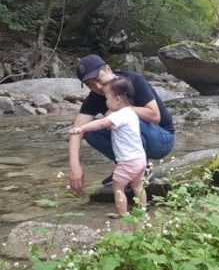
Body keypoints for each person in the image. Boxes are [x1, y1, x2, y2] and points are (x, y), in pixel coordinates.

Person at [69, 54, 175, 194]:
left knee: (126, 119)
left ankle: (142, 170)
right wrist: (75, 167)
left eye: (98, 79)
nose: (97, 86)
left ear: (108, 69)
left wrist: (121, 111)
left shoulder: (133, 81)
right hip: (138, 143)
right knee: (89, 129)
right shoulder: (94, 98)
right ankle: (126, 168)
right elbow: (77, 130)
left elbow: (155, 116)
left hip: (162, 139)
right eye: (90, 84)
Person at [69, 77, 147, 216]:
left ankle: (122, 215)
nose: (105, 101)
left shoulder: (118, 116)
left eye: (107, 98)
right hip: (140, 159)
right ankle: (142, 210)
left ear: (117, 100)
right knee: (137, 185)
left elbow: (100, 124)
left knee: (118, 188)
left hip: (127, 162)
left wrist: (81, 129)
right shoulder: (130, 113)